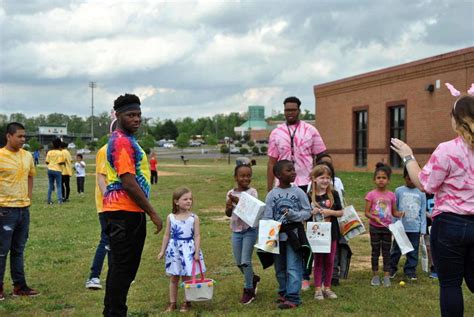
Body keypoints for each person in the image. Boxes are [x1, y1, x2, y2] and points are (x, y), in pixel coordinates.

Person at [390, 88, 473, 316]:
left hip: (449, 224)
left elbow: (425, 184)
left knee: (450, 284)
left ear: (457, 121)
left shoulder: (447, 150)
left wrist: (408, 156)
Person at [102, 94, 163, 317]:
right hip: (124, 213)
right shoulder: (121, 142)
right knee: (122, 269)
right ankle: (115, 313)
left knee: (122, 269)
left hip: (127, 213)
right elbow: (128, 182)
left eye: (138, 115)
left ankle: (113, 311)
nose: (136, 119)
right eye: (131, 115)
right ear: (117, 115)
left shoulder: (127, 140)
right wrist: (153, 212)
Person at [263, 160, 316, 309]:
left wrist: (292, 215)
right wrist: (269, 230)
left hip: (294, 236)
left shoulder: (299, 192)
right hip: (277, 237)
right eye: (289, 170)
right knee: (279, 268)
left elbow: (307, 212)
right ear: (278, 175)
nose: (293, 172)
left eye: (294, 169)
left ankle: (293, 297)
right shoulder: (272, 195)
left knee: (293, 267)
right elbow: (267, 216)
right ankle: (284, 292)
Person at [0, 122, 40, 300]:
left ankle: (20, 286)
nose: (23, 140)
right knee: (2, 250)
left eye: (25, 136)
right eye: (19, 136)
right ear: (9, 136)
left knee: (19, 249)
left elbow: (30, 176)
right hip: (5, 210)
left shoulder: (27, 156)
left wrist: (28, 198)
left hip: (23, 210)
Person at [158, 187, 205, 313]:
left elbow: (197, 235)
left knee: (186, 278)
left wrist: (196, 252)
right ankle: (172, 303)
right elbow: (167, 235)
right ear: (176, 202)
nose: (189, 201)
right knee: (174, 277)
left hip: (188, 251)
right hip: (174, 251)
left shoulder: (194, 218)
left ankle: (187, 301)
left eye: (190, 199)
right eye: (185, 199)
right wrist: (162, 250)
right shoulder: (171, 217)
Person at [267, 96, 326, 193]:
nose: (290, 113)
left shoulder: (310, 130)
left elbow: (322, 156)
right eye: (287, 110)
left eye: (293, 110)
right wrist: (269, 189)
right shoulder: (276, 133)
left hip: (307, 182)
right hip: (283, 183)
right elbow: (271, 163)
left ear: (299, 111)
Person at [225, 163, 260, 304]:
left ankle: (249, 290)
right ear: (235, 177)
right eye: (242, 176)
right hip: (236, 230)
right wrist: (228, 206)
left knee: (246, 261)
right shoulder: (230, 192)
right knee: (239, 262)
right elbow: (228, 214)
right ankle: (253, 278)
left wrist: (236, 201)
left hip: (250, 230)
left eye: (248, 176)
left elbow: (250, 210)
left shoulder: (252, 192)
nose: (246, 178)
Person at [364, 163, 404, 287]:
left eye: (384, 178)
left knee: (387, 252)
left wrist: (400, 214)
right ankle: (375, 276)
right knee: (375, 251)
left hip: (387, 228)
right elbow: (366, 212)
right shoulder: (371, 195)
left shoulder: (391, 195)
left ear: (388, 180)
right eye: (379, 177)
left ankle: (386, 276)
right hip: (374, 228)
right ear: (375, 179)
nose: (381, 180)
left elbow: (393, 212)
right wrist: (374, 218)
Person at [308, 164, 343, 300]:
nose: (325, 180)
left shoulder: (333, 194)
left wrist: (330, 212)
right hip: (316, 234)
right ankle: (318, 289)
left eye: (328, 178)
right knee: (318, 261)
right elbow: (305, 214)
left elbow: (341, 212)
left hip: (332, 233)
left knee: (329, 260)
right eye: (322, 177)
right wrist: (312, 212)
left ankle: (327, 287)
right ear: (314, 179)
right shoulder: (309, 195)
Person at [390, 166, 426, 281]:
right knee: (396, 249)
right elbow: (394, 209)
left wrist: (423, 229)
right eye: (408, 178)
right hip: (401, 228)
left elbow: (423, 212)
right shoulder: (399, 191)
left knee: (413, 251)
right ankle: (392, 268)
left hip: (415, 228)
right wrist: (394, 225)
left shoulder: (422, 193)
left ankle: (410, 270)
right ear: (404, 177)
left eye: (413, 178)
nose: (411, 181)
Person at [45, 138, 65, 205]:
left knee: (50, 185)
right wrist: (64, 163)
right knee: (59, 186)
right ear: (60, 145)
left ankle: (49, 200)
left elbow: (47, 162)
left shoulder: (49, 152)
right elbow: (60, 162)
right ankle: (60, 200)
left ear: (53, 145)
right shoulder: (60, 153)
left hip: (50, 169)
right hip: (57, 170)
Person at [424, 193, 438, 278]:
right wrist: (428, 214)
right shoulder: (423, 195)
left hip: (440, 222)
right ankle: (433, 267)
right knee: (429, 247)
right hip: (427, 223)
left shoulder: (440, 193)